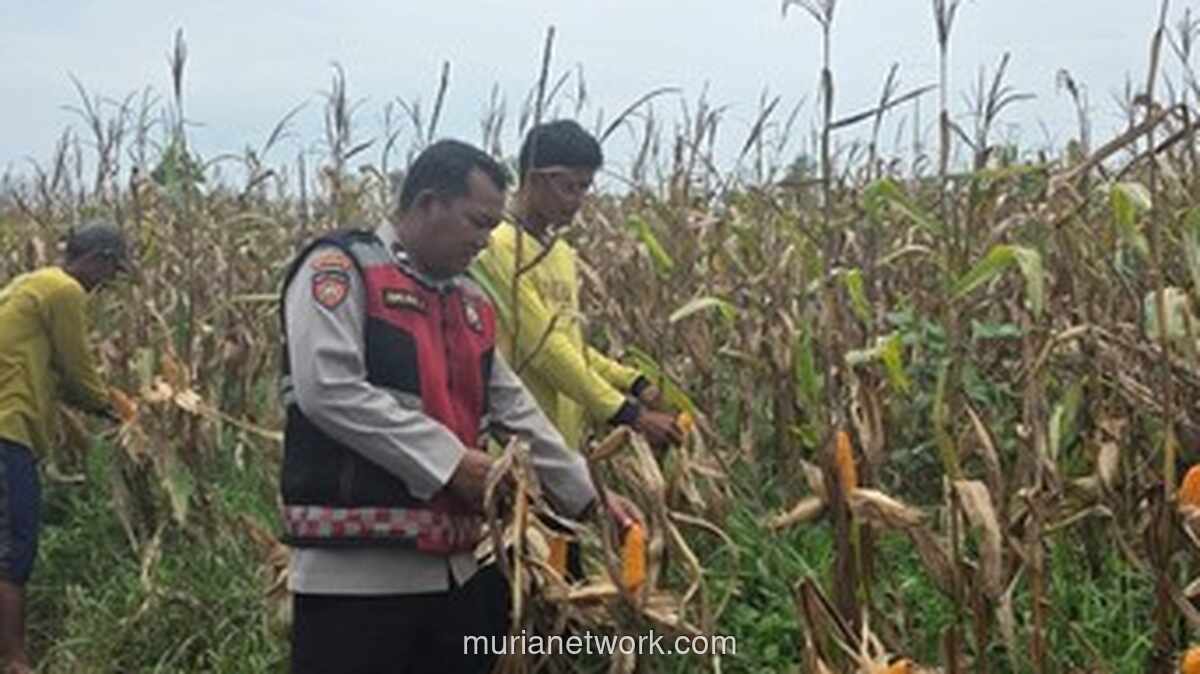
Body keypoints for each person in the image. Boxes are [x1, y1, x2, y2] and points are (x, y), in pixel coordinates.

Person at [279, 138, 637, 674]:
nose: (486, 240)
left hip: (458, 574)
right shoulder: (340, 269)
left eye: (494, 227)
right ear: (428, 203)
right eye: (478, 223)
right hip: (356, 582)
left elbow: (516, 410)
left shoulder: (469, 302)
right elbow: (329, 389)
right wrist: (453, 463)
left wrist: (588, 497)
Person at [471, 119, 682, 457]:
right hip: (513, 448)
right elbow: (545, 349)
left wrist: (633, 383)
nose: (579, 200)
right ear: (537, 179)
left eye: (585, 188)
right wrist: (629, 414)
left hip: (560, 449)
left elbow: (572, 344)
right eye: (571, 187)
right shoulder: (497, 248)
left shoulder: (561, 254)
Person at [0, 221, 128, 674]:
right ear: (97, 259)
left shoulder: (28, 283)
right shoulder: (65, 291)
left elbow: (59, 374)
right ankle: (15, 661)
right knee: (15, 548)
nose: (106, 283)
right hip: (8, 430)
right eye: (110, 271)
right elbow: (78, 371)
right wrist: (120, 411)